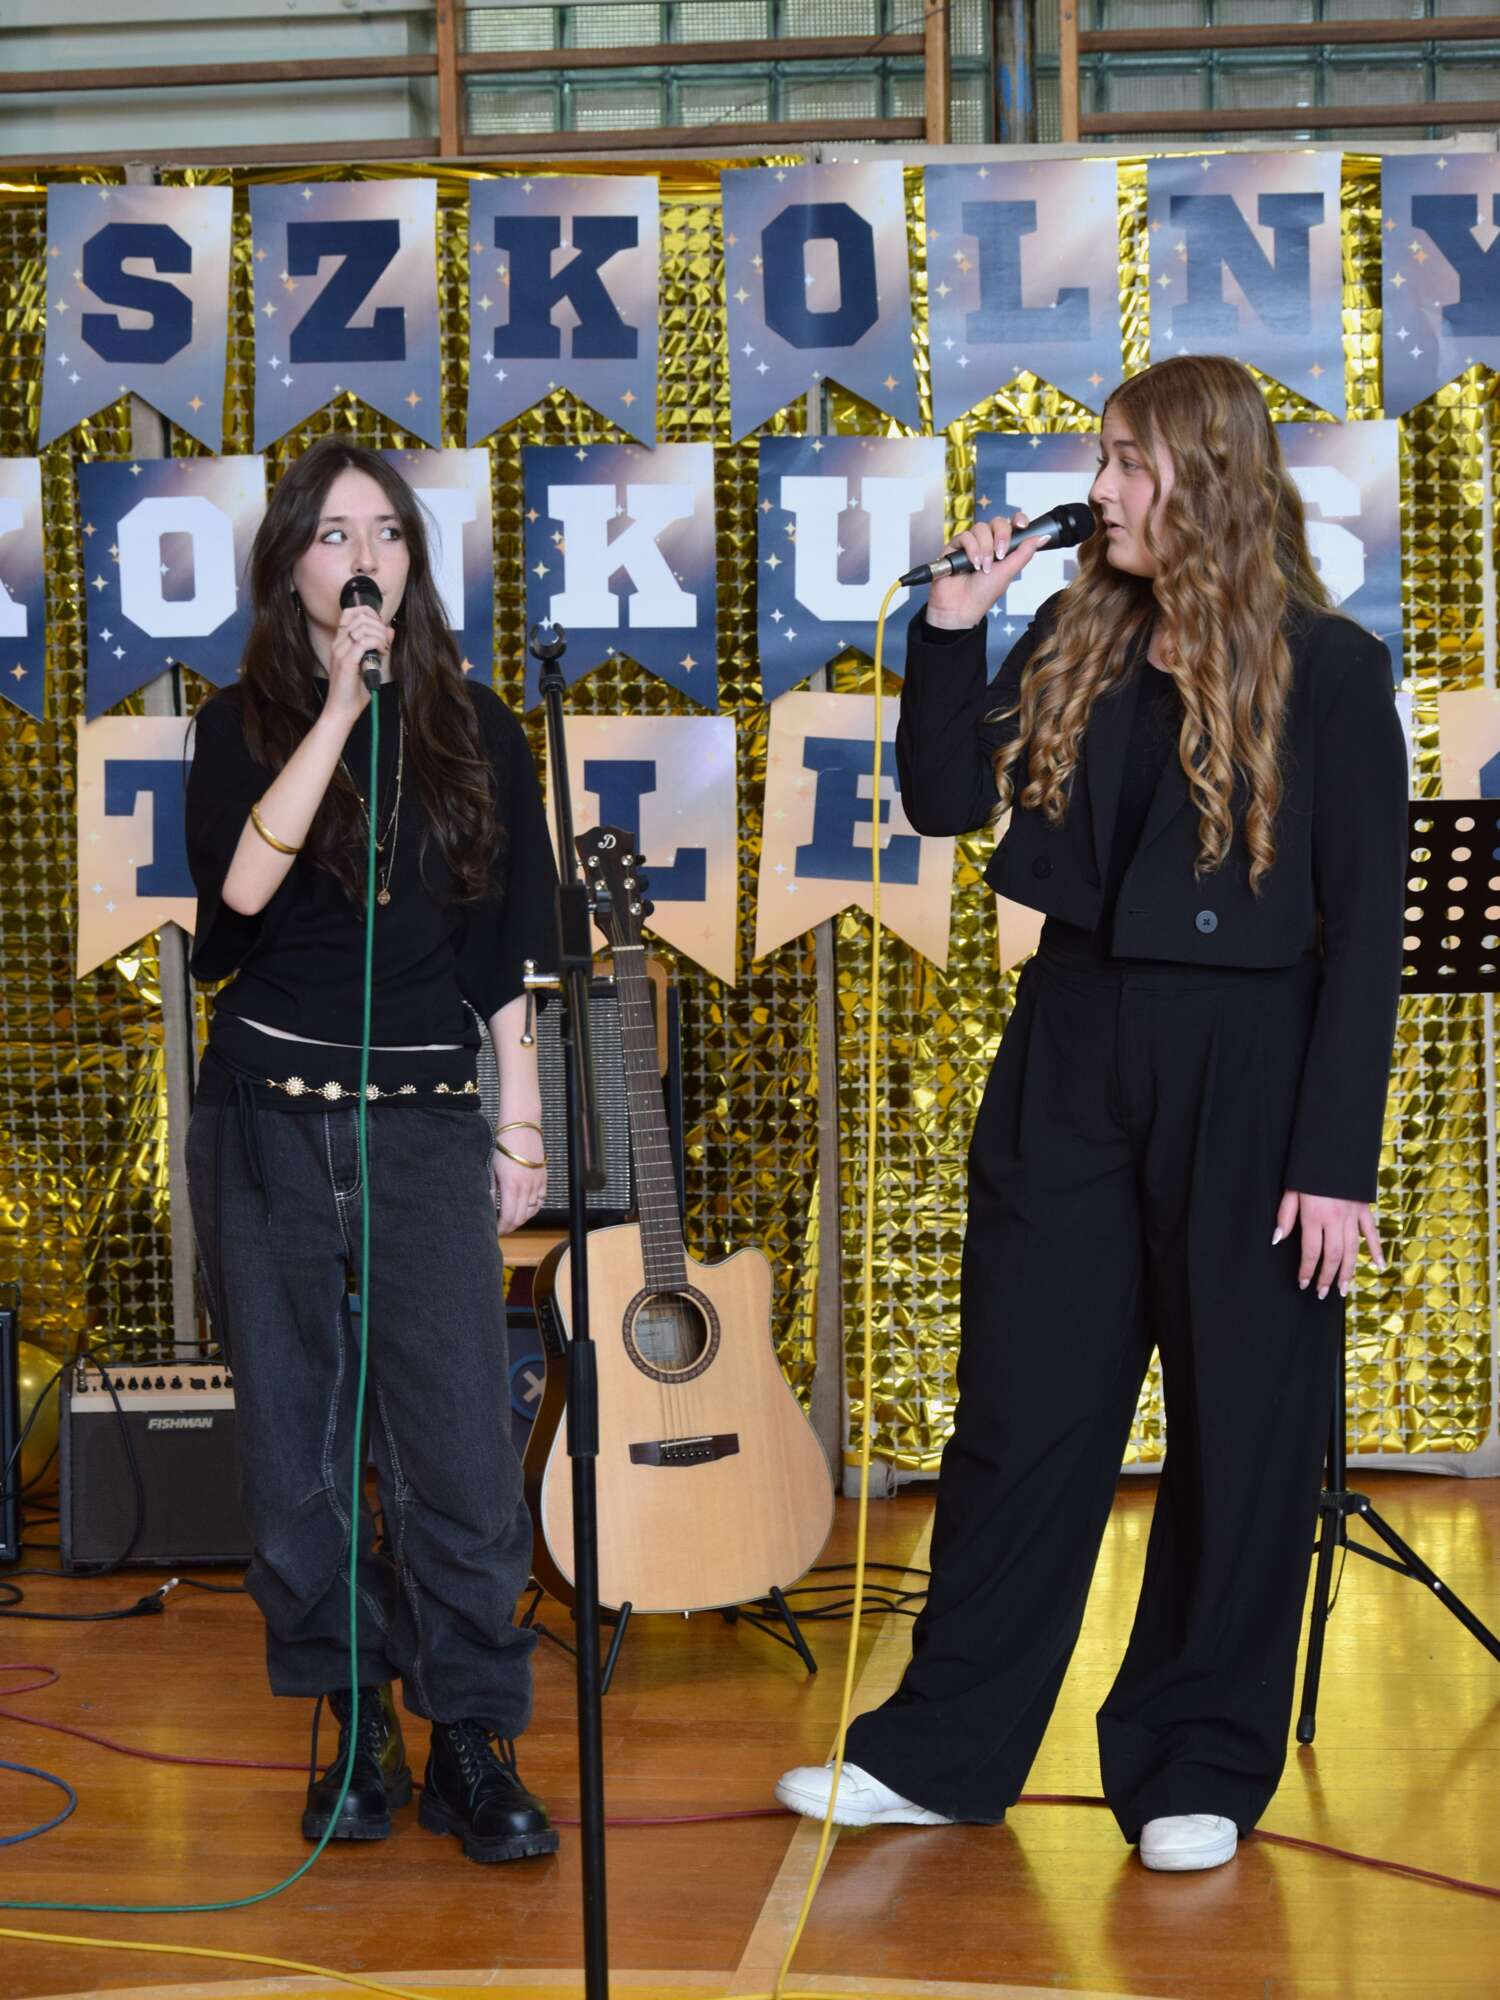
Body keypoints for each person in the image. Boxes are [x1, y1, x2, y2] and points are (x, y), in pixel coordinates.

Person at [776, 354, 1408, 1872]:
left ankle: (1199, 1763)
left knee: (1239, 1434)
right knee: (1020, 1411)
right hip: (1072, 1047)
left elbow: (1369, 933)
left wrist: (1334, 1161)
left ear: (1209, 477)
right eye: (1103, 459)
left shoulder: (1327, 667)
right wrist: (952, 628)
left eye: (1129, 463)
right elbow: (943, 799)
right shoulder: (1078, 630)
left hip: (1251, 1069)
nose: (1101, 489)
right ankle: (941, 1751)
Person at [184, 441, 560, 1865]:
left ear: (415, 561)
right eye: (335, 534)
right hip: (267, 1120)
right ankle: (354, 1722)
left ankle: (469, 1732)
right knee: (299, 1450)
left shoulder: (482, 730)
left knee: (457, 1443)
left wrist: (519, 1118)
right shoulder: (239, 725)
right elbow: (239, 891)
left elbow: (505, 949)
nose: (364, 557)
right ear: (293, 567)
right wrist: (341, 708)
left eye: (387, 533)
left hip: (421, 1122)